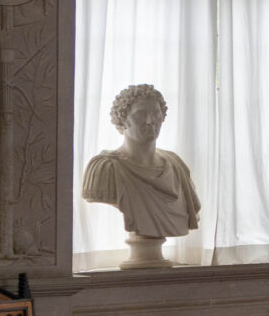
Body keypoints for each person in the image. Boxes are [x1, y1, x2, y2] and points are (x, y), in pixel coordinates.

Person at [80, 84, 200, 264]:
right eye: (140, 114)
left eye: (156, 113)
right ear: (122, 120)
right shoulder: (105, 168)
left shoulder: (176, 166)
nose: (151, 121)